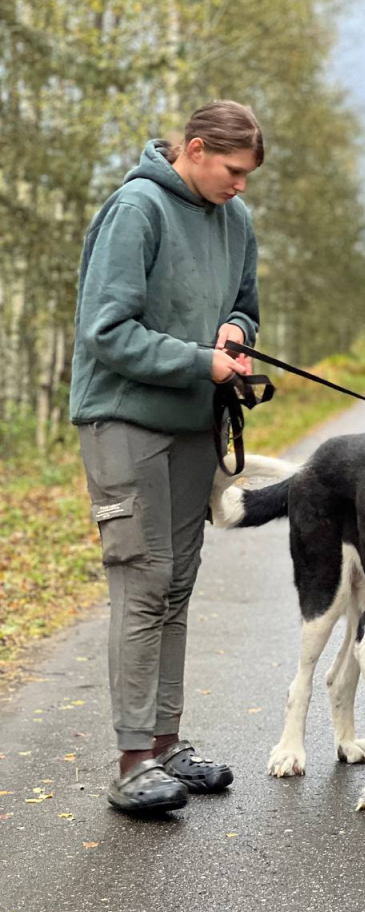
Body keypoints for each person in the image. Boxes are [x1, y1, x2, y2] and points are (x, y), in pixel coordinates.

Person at [70, 100, 263, 813]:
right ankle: (130, 762)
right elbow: (106, 332)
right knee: (144, 582)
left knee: (178, 581)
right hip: (124, 419)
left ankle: (166, 746)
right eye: (232, 170)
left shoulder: (235, 220)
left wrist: (235, 334)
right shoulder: (138, 208)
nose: (241, 185)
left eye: (249, 175)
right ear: (195, 147)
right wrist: (200, 362)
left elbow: (244, 306)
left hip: (193, 423)